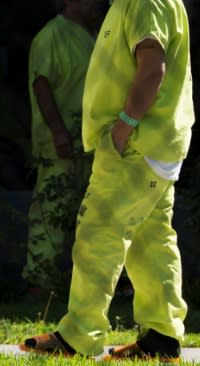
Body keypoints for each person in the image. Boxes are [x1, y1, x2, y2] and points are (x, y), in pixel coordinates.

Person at [20, 0, 194, 362]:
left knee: (98, 229)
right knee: (151, 240)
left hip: (135, 144)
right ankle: (161, 339)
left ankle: (79, 337)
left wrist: (122, 128)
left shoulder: (144, 2)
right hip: (153, 143)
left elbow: (152, 70)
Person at [22, 0, 101, 295]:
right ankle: (39, 284)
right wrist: (58, 132)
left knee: (90, 214)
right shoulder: (50, 36)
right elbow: (40, 84)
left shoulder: (93, 35)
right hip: (61, 144)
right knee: (51, 212)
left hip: (89, 142)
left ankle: (84, 285)